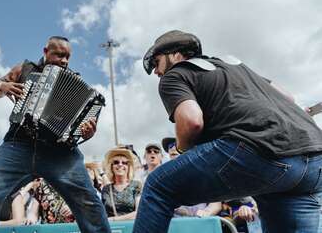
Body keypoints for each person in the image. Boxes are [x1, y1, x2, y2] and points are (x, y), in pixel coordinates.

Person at [133, 30, 322, 233]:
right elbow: (289, 98)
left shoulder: (175, 75)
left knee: (158, 186)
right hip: (313, 157)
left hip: (258, 150)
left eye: (157, 61)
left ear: (176, 55)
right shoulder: (239, 69)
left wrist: (182, 150)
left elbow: (191, 120)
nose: (155, 71)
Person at [0, 36, 111, 233]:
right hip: (18, 145)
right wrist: (2, 86)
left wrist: (88, 132)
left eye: (68, 56)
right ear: (45, 51)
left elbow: (80, 129)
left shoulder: (74, 80)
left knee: (89, 204)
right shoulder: (25, 68)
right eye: (59, 55)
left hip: (60, 153)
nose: (64, 61)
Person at [161, 137, 222, 218]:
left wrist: (206, 212)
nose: (172, 148)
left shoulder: (205, 174)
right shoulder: (163, 179)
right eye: (170, 146)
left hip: (199, 224)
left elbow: (216, 204)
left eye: (176, 144)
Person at [101, 148, 142, 221]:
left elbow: (139, 212)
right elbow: (103, 213)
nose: (120, 164)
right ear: (111, 166)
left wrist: (114, 219)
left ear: (128, 167)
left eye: (124, 163)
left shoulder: (136, 185)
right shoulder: (106, 189)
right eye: (116, 162)